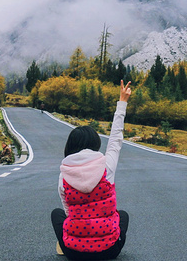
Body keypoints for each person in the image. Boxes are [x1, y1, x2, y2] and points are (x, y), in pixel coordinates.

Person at [51, 80, 131, 260]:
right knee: (122, 215)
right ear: (95, 145)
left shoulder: (63, 176)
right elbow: (116, 140)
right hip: (109, 250)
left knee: (57, 214)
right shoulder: (106, 167)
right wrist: (122, 102)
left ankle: (69, 246)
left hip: (74, 252)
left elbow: (68, 213)